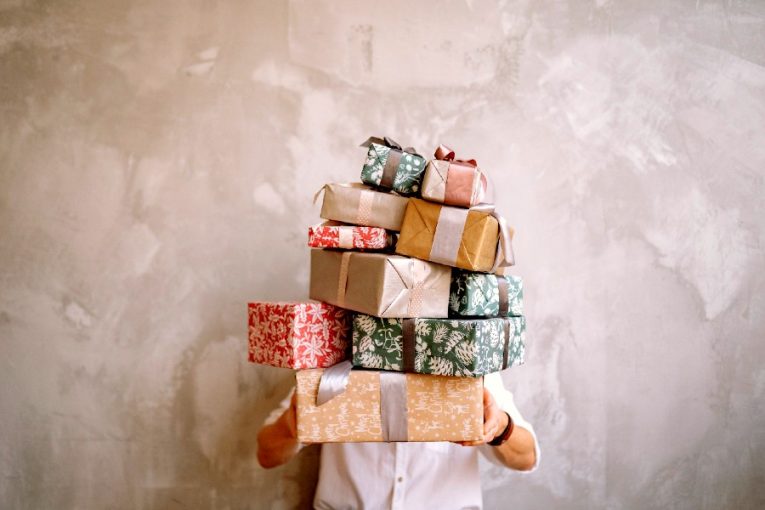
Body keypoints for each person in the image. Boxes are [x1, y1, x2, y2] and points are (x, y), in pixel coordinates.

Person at [257, 371, 539, 510]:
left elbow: (527, 458)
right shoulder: (335, 361)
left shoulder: (470, 362)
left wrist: (500, 426)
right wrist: (295, 424)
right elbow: (266, 454)